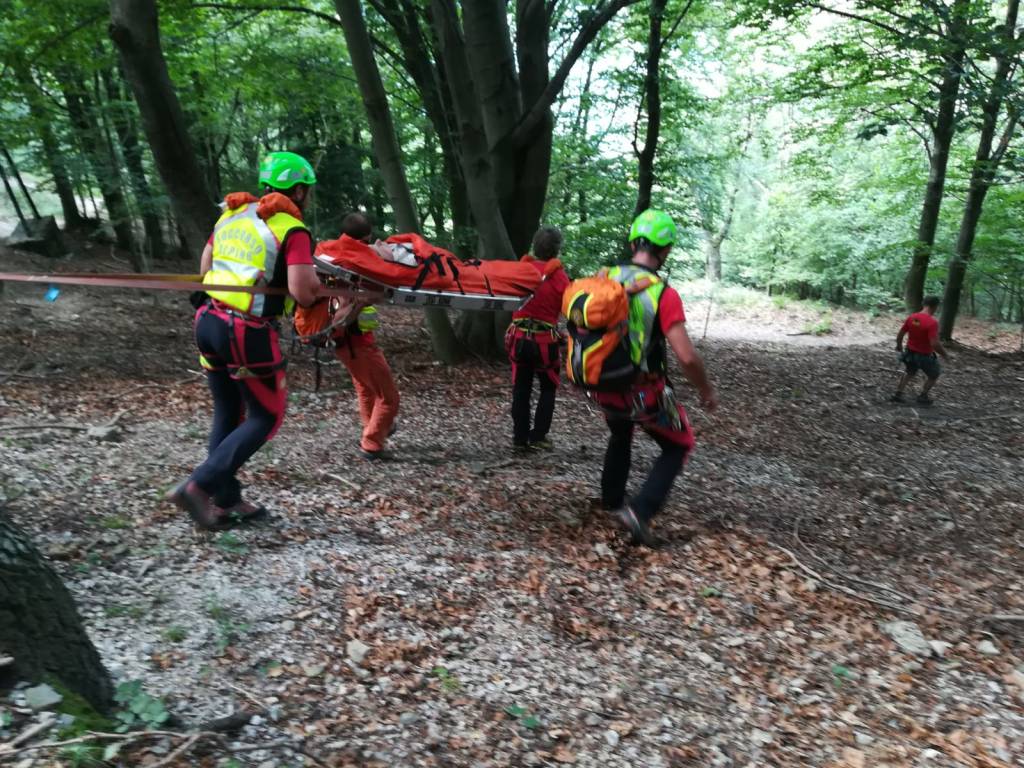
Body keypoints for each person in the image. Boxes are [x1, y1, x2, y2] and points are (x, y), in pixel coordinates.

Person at [168, 151, 321, 529]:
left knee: (228, 410)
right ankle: (198, 486)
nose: (310, 197)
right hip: (246, 331)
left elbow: (207, 269)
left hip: (208, 321)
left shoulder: (232, 214)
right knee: (266, 415)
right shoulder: (290, 229)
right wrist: (320, 289)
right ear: (298, 190)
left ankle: (225, 499)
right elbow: (303, 293)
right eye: (309, 190)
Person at [593, 209, 717, 547]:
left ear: (634, 242)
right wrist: (705, 389)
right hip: (643, 393)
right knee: (680, 444)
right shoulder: (663, 293)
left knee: (620, 432)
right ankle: (640, 511)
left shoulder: (603, 277)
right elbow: (687, 356)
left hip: (602, 385)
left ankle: (611, 500)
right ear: (665, 250)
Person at [321, 212, 400, 459]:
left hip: (351, 345)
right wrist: (362, 302)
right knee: (389, 398)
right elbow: (341, 316)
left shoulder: (335, 259)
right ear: (364, 238)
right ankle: (373, 443)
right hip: (357, 346)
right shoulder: (347, 268)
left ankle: (371, 428)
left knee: (366, 390)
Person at [506, 226, 570, 451]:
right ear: (557, 250)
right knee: (548, 388)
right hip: (545, 343)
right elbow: (568, 308)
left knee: (521, 389)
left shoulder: (522, 271)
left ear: (535, 246)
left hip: (519, 340)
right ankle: (539, 436)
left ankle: (519, 438)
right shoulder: (560, 277)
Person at [892, 295, 948, 405]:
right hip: (924, 355)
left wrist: (899, 345)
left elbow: (901, 333)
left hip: (910, 353)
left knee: (909, 372)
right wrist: (945, 354)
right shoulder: (932, 322)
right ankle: (923, 396)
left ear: (923, 304)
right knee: (934, 374)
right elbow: (935, 343)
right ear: (935, 306)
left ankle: (898, 394)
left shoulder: (913, 317)